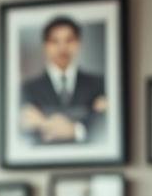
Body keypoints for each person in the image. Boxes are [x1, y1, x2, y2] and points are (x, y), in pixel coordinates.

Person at [19, 16, 107, 144]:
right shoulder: (26, 89)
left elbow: (103, 126)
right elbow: (26, 130)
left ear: (78, 43)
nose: (62, 47)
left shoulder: (100, 84)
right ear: (45, 46)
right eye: (55, 41)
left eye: (69, 40)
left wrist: (76, 130)